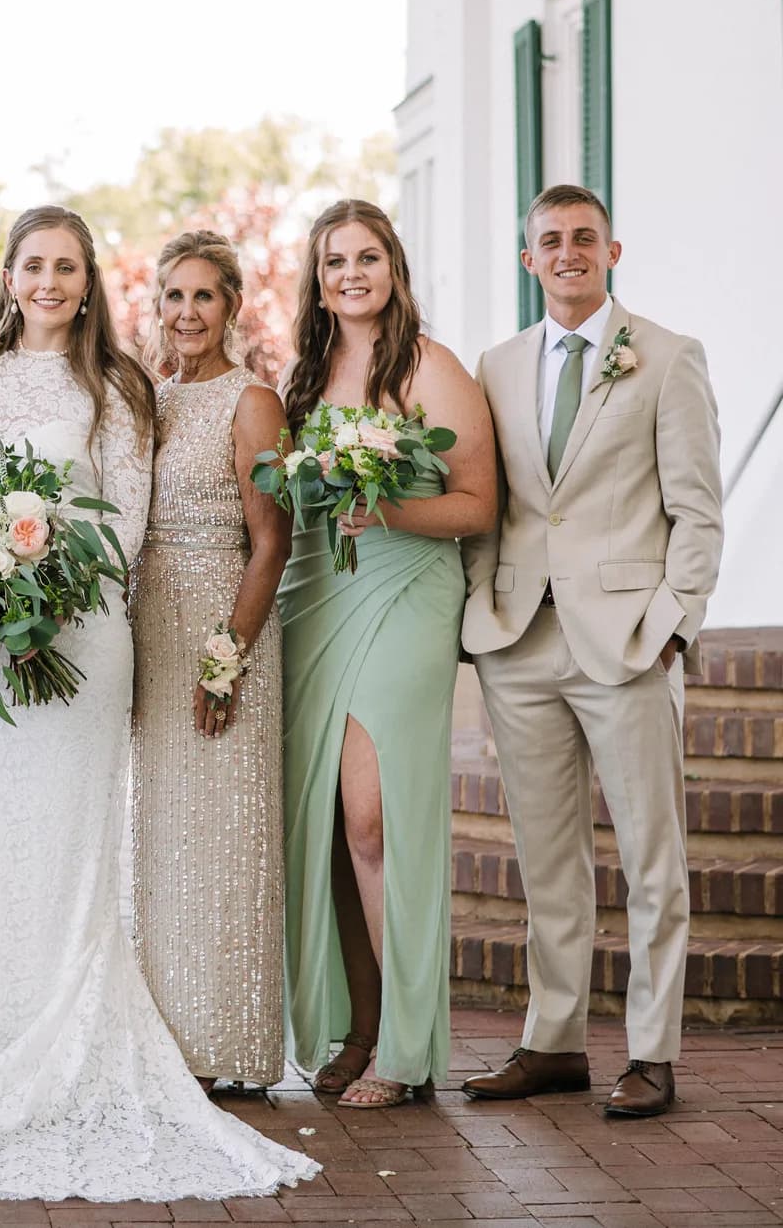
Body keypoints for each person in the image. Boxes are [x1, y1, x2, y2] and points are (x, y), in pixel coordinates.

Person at [0, 206, 319, 1202]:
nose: (49, 281)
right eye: (34, 265)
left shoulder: (114, 386)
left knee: (67, 839)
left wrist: (44, 598)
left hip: (77, 631)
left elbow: (124, 523)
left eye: (66, 266)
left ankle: (66, 1028)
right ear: (9, 274)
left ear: (88, 279)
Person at [459, 184, 722, 1118]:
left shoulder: (668, 357)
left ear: (613, 253)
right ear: (528, 258)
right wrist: (482, 618)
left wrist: (670, 625)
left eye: (584, 238)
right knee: (546, 858)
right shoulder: (496, 364)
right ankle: (554, 1039)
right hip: (520, 639)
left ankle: (652, 1051)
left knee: (653, 857)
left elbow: (697, 511)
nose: (567, 252)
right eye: (549, 241)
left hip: (627, 645)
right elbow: (495, 501)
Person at [276, 199, 497, 1110]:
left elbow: (478, 503)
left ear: (394, 267)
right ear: (317, 279)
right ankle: (354, 1031)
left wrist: (391, 509)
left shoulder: (430, 367)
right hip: (317, 593)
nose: (351, 274)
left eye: (368, 257)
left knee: (374, 818)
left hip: (406, 591)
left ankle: (406, 1049)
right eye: (335, 261)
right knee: (327, 826)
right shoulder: (301, 377)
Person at [130, 231, 292, 1092]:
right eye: (173, 297)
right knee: (165, 843)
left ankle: (230, 1044)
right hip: (151, 634)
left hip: (222, 631)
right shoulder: (148, 401)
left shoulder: (252, 401)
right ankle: (171, 1039)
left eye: (203, 296)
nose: (186, 312)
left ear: (231, 305)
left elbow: (271, 542)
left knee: (227, 840)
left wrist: (225, 661)